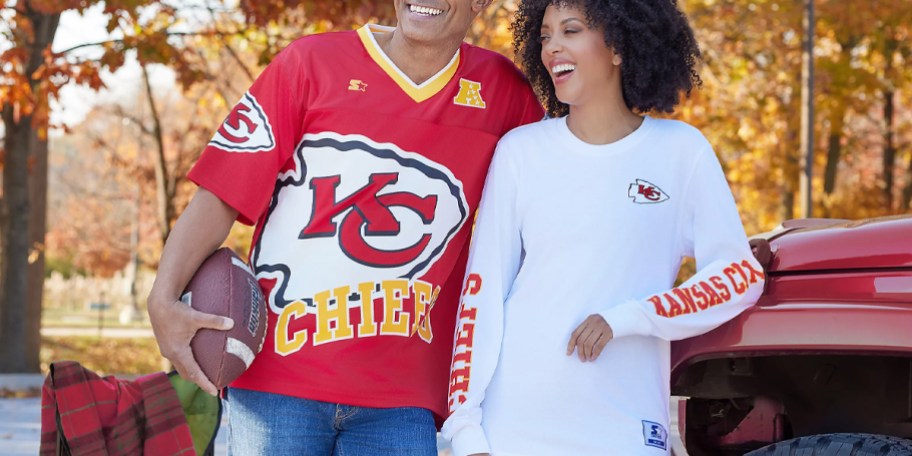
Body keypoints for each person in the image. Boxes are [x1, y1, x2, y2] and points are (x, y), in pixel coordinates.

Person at [147, 0, 544, 454]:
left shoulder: (504, 93)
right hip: (278, 381)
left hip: (406, 395)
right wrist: (163, 297)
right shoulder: (308, 63)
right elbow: (222, 191)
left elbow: (549, 204)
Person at [442, 0, 766, 454]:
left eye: (571, 31)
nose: (552, 47)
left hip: (626, 425)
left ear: (617, 46)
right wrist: (465, 427)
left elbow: (739, 276)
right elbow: (482, 292)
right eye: (545, 35)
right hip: (514, 424)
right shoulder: (521, 151)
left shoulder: (681, 152)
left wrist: (630, 318)